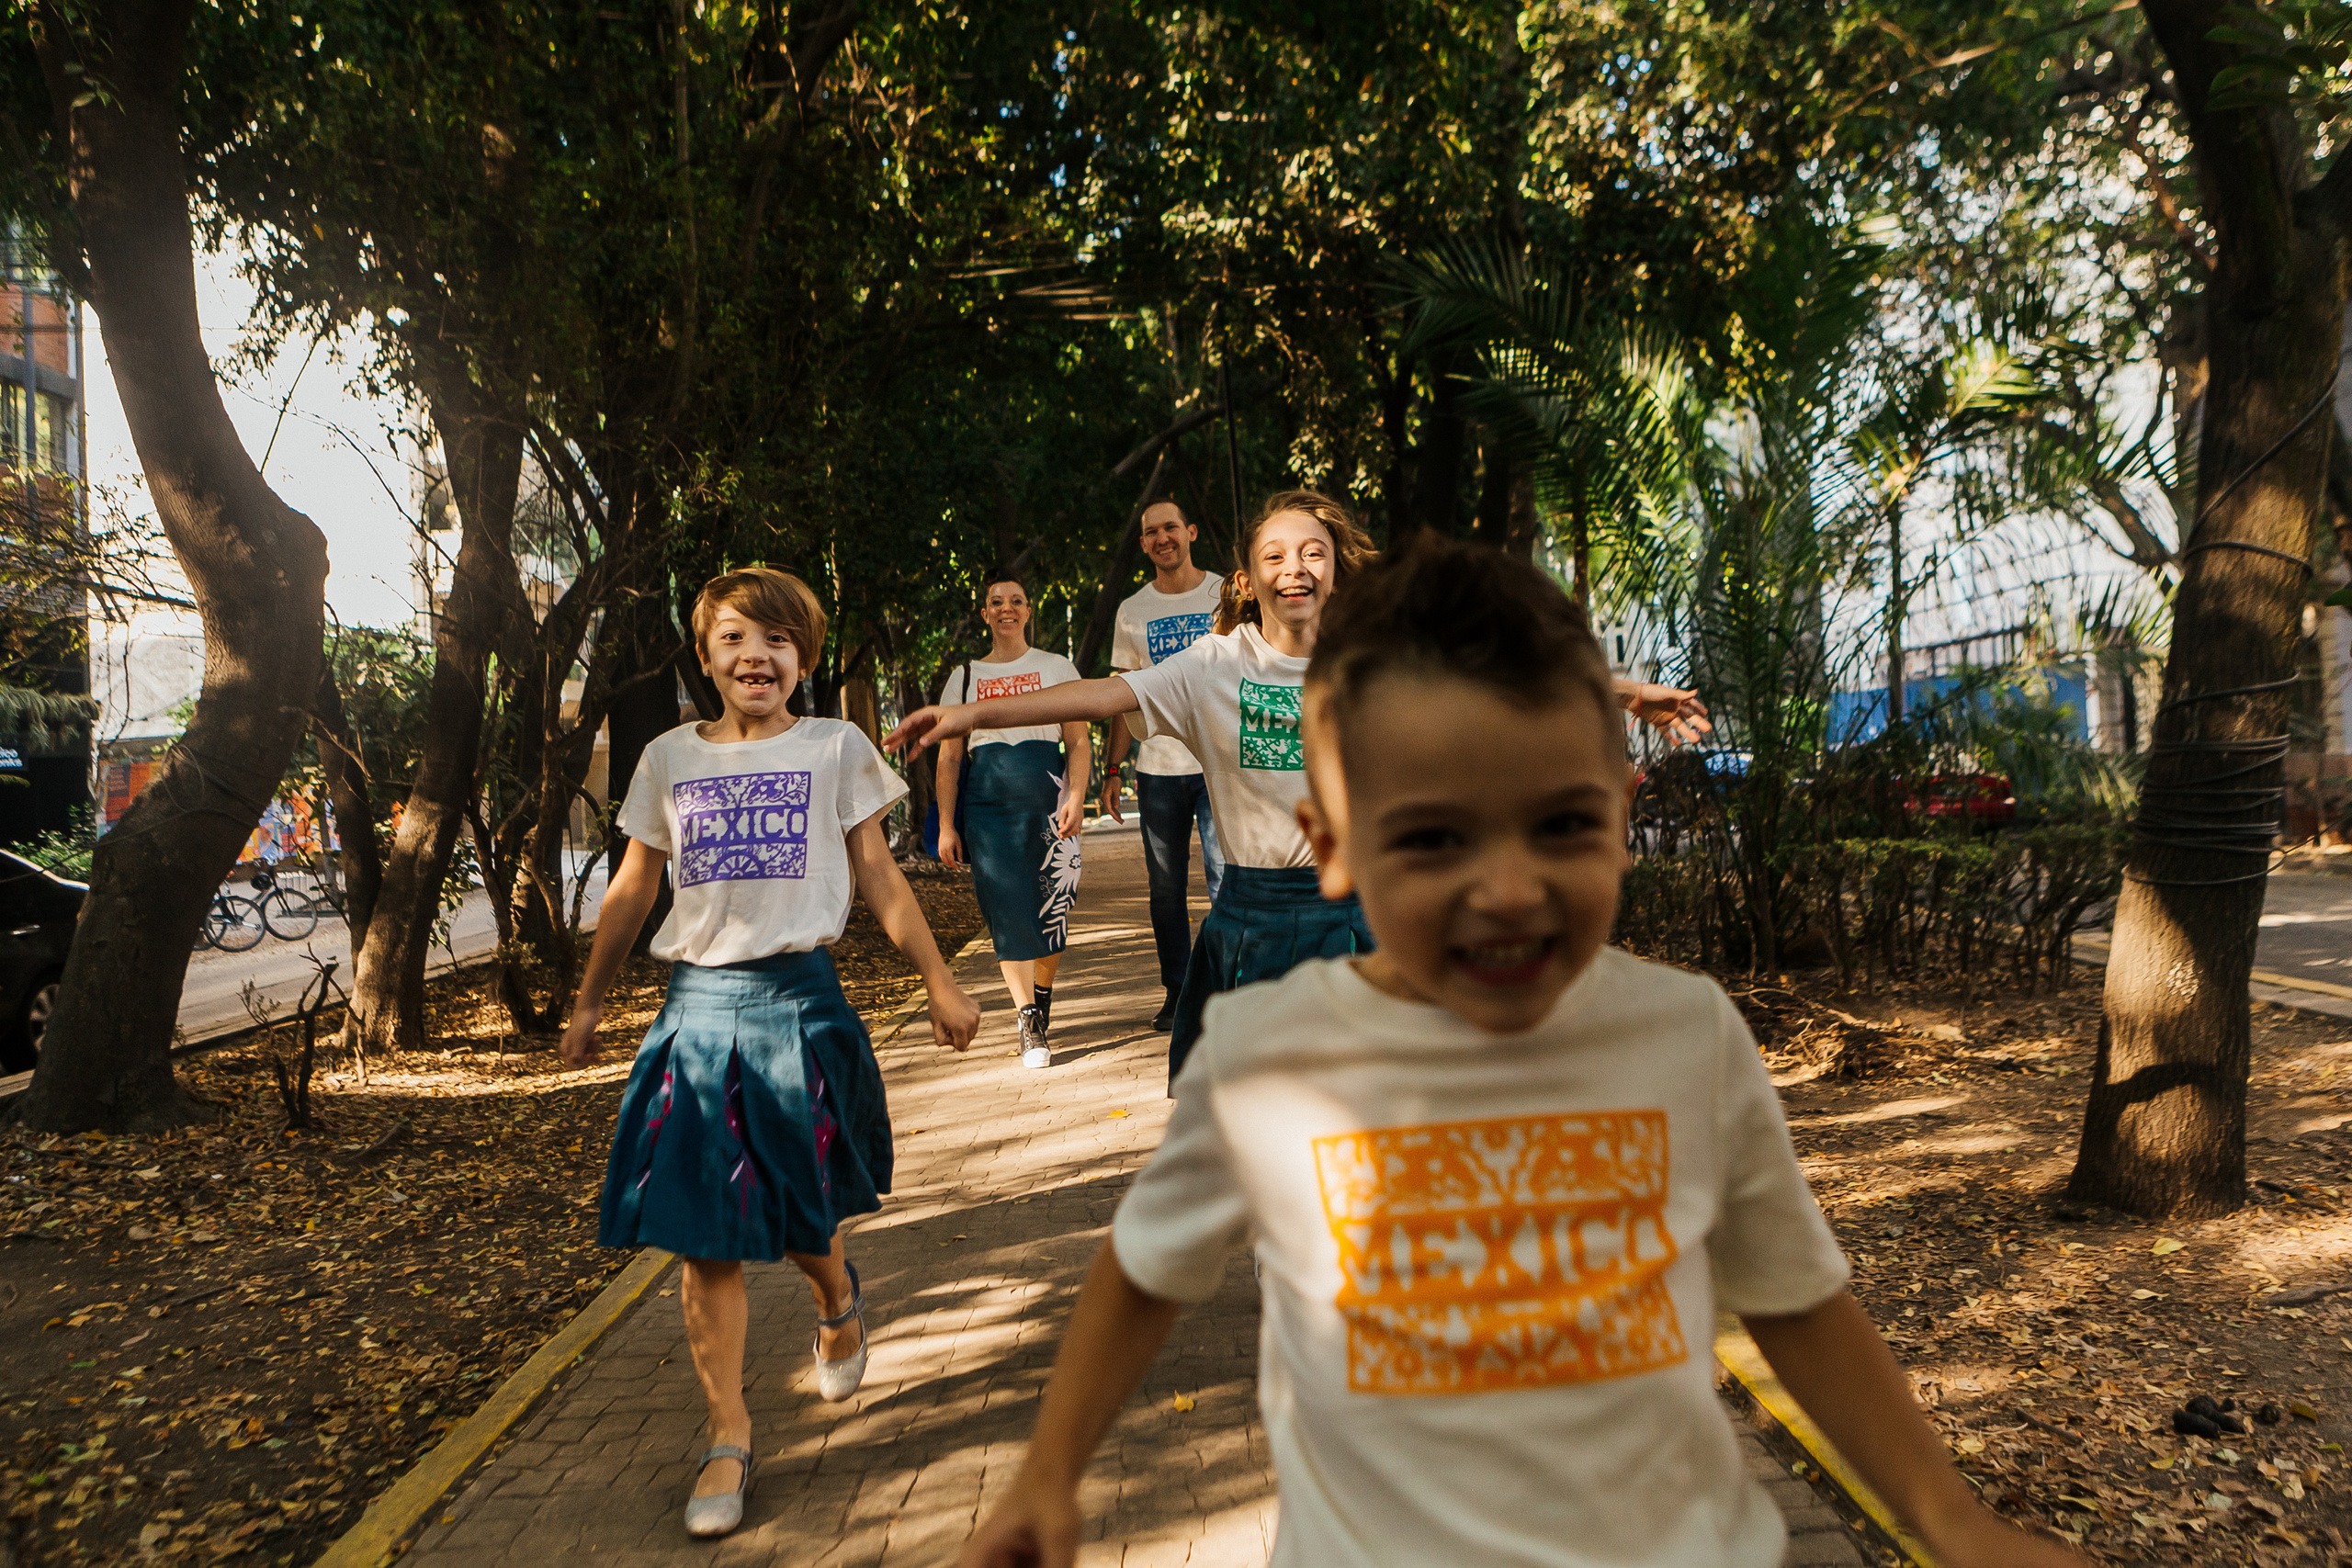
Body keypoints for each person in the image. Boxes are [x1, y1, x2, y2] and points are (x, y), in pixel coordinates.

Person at [954, 537, 2085, 1568]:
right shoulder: (1268, 1052)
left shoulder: (1685, 1036)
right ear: (1334, 849)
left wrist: (1949, 1520)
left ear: (1622, 812)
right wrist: (1048, 1477)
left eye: (1561, 826)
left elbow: (1794, 1299)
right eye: (1435, 838)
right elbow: (1144, 1269)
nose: (1507, 890)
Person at [886, 490, 1708, 1089]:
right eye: (1275, 555)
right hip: (1253, 922)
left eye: (1312, 551)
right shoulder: (1214, 666)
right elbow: (1101, 694)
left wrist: (1633, 693)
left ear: (1336, 566)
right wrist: (964, 717)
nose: (1296, 567)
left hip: (1365, 914)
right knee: (1261, 1134)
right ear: (1246, 578)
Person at [559, 566, 982, 1541]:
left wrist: (938, 978)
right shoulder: (667, 757)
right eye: (737, 641)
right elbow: (632, 889)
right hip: (697, 1015)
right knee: (706, 1233)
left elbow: (876, 872)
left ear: (804, 658)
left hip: (800, 1005)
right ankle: (727, 1434)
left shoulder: (835, 747)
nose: (758, 657)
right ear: (705, 657)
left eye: (778, 642)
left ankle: (836, 1296)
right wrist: (587, 1000)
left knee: (799, 1213)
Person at [934, 567, 1091, 1069]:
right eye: (996, 602)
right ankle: (1027, 1018)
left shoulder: (1057, 665)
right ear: (985, 613)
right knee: (1004, 909)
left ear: (1028, 611)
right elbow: (950, 758)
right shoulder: (964, 679)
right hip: (988, 806)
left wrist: (1078, 795)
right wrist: (945, 824)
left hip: (1049, 799)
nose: (1006, 608)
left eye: (1015, 601)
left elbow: (1079, 740)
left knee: (1052, 906)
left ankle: (1041, 997)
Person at [1099, 498, 1227, 1032]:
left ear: (1191, 531)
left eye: (1170, 527)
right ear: (1145, 543)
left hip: (1221, 762)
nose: (1161, 538)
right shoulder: (1133, 610)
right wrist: (1111, 770)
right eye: (1151, 532)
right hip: (1158, 770)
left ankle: (1224, 988)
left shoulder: (1224, 592)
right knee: (1166, 891)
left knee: (1228, 879)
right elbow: (1122, 698)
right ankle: (1178, 992)